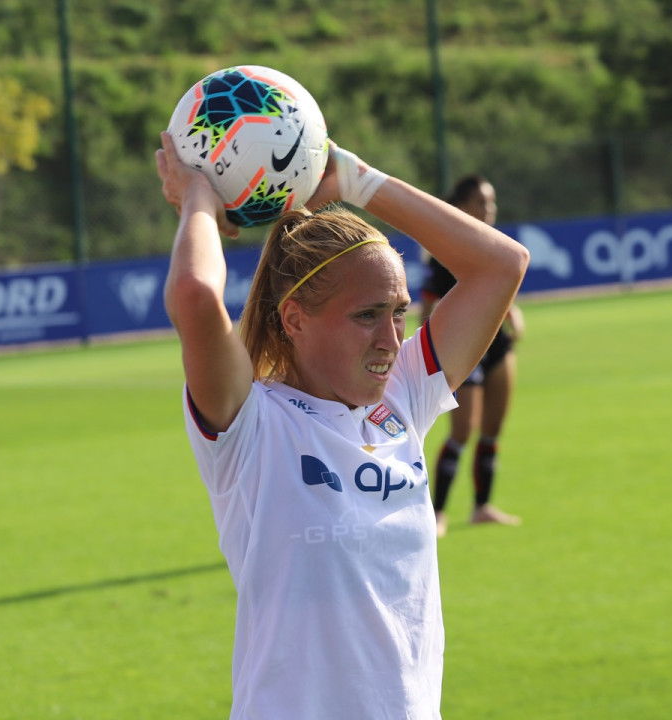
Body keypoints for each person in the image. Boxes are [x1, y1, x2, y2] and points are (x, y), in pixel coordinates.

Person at [156, 131, 529, 719]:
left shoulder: (403, 399)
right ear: (295, 319)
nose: (391, 339)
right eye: (366, 316)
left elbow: (501, 266)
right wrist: (199, 196)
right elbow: (196, 294)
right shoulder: (251, 425)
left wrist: (358, 181)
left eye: (399, 311)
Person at [420, 175, 525, 537]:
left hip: (497, 344)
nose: (489, 209)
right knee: (462, 431)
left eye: (492, 202)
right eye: (482, 202)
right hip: (463, 347)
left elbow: (500, 283)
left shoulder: (498, 243)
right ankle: (437, 513)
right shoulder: (446, 246)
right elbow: (430, 302)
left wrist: (513, 312)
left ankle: (482, 507)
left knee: (492, 430)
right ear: (463, 206)